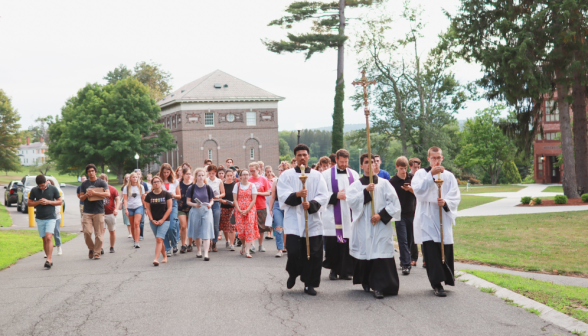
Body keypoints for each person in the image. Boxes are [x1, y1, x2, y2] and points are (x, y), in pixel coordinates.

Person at [277, 144, 329, 296]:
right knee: (293, 252)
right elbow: (282, 195)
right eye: (299, 155)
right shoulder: (286, 175)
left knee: (314, 254)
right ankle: (293, 273)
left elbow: (324, 195)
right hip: (294, 221)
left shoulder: (317, 175)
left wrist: (311, 204)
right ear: (295, 157)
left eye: (304, 155)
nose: (302, 157)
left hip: (312, 221)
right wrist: (298, 195)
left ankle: (309, 283)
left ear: (308, 157)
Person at [347, 153, 402, 299]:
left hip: (380, 226)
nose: (370, 165)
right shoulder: (356, 185)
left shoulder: (384, 183)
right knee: (366, 253)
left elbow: (395, 204)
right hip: (364, 226)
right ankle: (366, 281)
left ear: (376, 165)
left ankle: (380, 286)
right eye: (366, 162)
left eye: (372, 162)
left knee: (380, 254)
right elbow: (351, 202)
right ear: (361, 165)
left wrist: (381, 215)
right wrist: (365, 192)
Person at [412, 147, 461, 297]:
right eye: (433, 158)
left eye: (438, 158)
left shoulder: (449, 176)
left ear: (442, 158)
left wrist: (445, 202)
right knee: (432, 252)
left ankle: (446, 278)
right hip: (427, 217)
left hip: (443, 218)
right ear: (428, 159)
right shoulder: (421, 174)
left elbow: (455, 195)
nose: (436, 161)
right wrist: (430, 176)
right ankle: (436, 283)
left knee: (444, 249)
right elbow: (418, 191)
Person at [321, 149, 360, 281]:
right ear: (336, 160)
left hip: (348, 214)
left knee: (347, 244)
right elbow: (321, 194)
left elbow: (358, 192)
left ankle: (346, 271)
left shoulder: (354, 174)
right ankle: (333, 270)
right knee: (333, 244)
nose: (344, 164)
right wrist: (335, 195)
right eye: (341, 162)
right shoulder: (326, 175)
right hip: (332, 214)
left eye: (346, 162)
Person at [28, 175, 62, 269]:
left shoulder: (53, 189)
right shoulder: (34, 190)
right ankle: (48, 259)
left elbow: (59, 201)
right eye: (40, 186)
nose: (41, 187)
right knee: (44, 239)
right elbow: (29, 203)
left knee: (49, 237)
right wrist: (38, 202)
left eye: (43, 185)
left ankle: (49, 259)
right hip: (39, 217)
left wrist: (48, 202)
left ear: (46, 182)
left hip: (51, 217)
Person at [389, 156, 416, 275]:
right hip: (400, 215)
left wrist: (411, 189)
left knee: (410, 239)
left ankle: (404, 259)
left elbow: (420, 194)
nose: (403, 171)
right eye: (401, 169)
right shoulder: (392, 181)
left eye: (405, 168)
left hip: (412, 213)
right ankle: (406, 264)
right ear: (397, 167)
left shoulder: (412, 178)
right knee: (403, 240)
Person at [79, 164, 111, 260]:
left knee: (99, 234)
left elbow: (108, 194)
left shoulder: (101, 182)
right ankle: (92, 249)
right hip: (87, 211)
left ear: (95, 172)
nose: (91, 173)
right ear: (87, 173)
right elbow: (81, 197)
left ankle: (97, 253)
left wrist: (95, 193)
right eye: (89, 171)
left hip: (99, 211)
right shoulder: (84, 184)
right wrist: (86, 194)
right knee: (87, 232)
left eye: (92, 171)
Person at [187, 168, 215, 261]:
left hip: (206, 210)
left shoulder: (208, 187)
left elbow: (212, 199)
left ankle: (206, 253)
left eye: (202, 175)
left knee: (206, 231)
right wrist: (195, 204)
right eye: (199, 175)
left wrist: (210, 204)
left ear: (205, 176)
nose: (201, 177)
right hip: (195, 211)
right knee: (197, 231)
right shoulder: (192, 188)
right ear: (196, 176)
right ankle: (199, 250)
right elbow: (188, 202)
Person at [145, 176, 174, 266]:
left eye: (158, 181)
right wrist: (152, 219)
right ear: (152, 184)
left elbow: (169, 209)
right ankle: (165, 256)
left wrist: (162, 220)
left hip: (164, 220)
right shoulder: (149, 196)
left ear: (161, 183)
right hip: (153, 220)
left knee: (159, 239)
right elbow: (148, 209)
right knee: (159, 240)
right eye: (154, 182)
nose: (156, 183)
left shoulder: (166, 194)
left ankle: (156, 259)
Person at [233, 169, 259, 258]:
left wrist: (247, 210)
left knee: (249, 228)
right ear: (240, 176)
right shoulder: (237, 185)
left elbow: (254, 200)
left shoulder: (252, 186)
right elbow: (235, 199)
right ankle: (243, 244)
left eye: (247, 174)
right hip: (239, 209)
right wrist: (239, 210)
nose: (245, 176)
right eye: (243, 174)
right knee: (241, 229)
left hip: (250, 209)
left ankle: (248, 251)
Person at [248, 162, 272, 253]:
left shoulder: (264, 179)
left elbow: (268, 192)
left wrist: (258, 193)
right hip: (251, 206)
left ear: (258, 170)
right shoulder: (249, 179)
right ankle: (253, 245)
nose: (252, 173)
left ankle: (260, 245)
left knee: (261, 227)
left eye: (253, 171)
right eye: (250, 171)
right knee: (252, 226)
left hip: (261, 205)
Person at [159, 164, 180, 256]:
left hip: (173, 203)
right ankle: (167, 248)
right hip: (162, 205)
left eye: (168, 172)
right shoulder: (159, 181)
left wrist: (173, 195)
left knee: (172, 226)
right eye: (164, 172)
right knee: (164, 228)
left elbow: (179, 196)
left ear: (170, 172)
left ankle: (174, 243)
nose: (166, 174)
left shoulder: (175, 182)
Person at [123, 172, 146, 248]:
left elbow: (143, 199)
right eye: (133, 177)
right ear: (130, 178)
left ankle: (137, 241)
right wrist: (125, 209)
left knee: (137, 223)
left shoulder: (141, 187)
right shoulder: (126, 187)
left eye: (136, 177)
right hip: (130, 207)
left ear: (138, 178)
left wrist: (145, 208)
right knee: (132, 225)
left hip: (138, 207)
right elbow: (125, 199)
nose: (135, 178)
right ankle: (134, 239)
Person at [42, 179, 63, 258]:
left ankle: (59, 247)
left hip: (56, 217)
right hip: (46, 217)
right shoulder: (43, 194)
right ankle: (47, 251)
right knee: (47, 235)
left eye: (50, 184)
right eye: (47, 183)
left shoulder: (56, 192)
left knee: (56, 232)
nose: (48, 185)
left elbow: (59, 204)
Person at [99, 174, 120, 254]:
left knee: (112, 231)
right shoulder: (98, 189)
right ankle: (101, 248)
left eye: (104, 181)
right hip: (100, 213)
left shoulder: (112, 189)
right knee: (101, 231)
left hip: (110, 213)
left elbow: (117, 200)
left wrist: (116, 209)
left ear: (107, 181)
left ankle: (112, 247)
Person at [207, 165, 225, 252]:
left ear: (216, 173)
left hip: (216, 203)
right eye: (210, 173)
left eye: (213, 173)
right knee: (208, 223)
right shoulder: (206, 181)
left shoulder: (219, 181)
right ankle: (209, 241)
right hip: (207, 203)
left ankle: (214, 242)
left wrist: (218, 196)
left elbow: (223, 193)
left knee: (215, 224)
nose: (211, 175)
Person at [408, 157, 422, 266]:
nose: (416, 169)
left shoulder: (422, 177)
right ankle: (414, 257)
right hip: (410, 208)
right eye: (414, 167)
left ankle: (426, 258)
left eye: (418, 167)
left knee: (423, 233)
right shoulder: (408, 177)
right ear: (410, 167)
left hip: (420, 207)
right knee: (412, 235)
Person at [177, 167, 193, 253]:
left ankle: (190, 244)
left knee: (190, 226)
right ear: (183, 174)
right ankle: (183, 244)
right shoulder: (179, 184)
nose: (188, 176)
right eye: (187, 174)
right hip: (181, 207)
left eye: (190, 174)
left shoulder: (193, 185)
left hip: (191, 208)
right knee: (183, 226)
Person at [219, 169, 236, 250]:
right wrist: (222, 201)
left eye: (231, 175)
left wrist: (235, 202)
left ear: (233, 176)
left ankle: (232, 244)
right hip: (224, 207)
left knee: (232, 226)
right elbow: (219, 196)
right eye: (228, 175)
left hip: (233, 207)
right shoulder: (222, 184)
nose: (229, 177)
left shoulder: (235, 185)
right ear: (225, 176)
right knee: (225, 225)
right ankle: (227, 240)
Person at [119, 174, 133, 238]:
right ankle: (130, 233)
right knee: (127, 219)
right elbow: (121, 196)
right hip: (125, 203)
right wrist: (119, 203)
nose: (127, 179)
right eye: (126, 178)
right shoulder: (123, 187)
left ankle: (134, 232)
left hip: (133, 204)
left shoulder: (134, 186)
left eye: (128, 177)